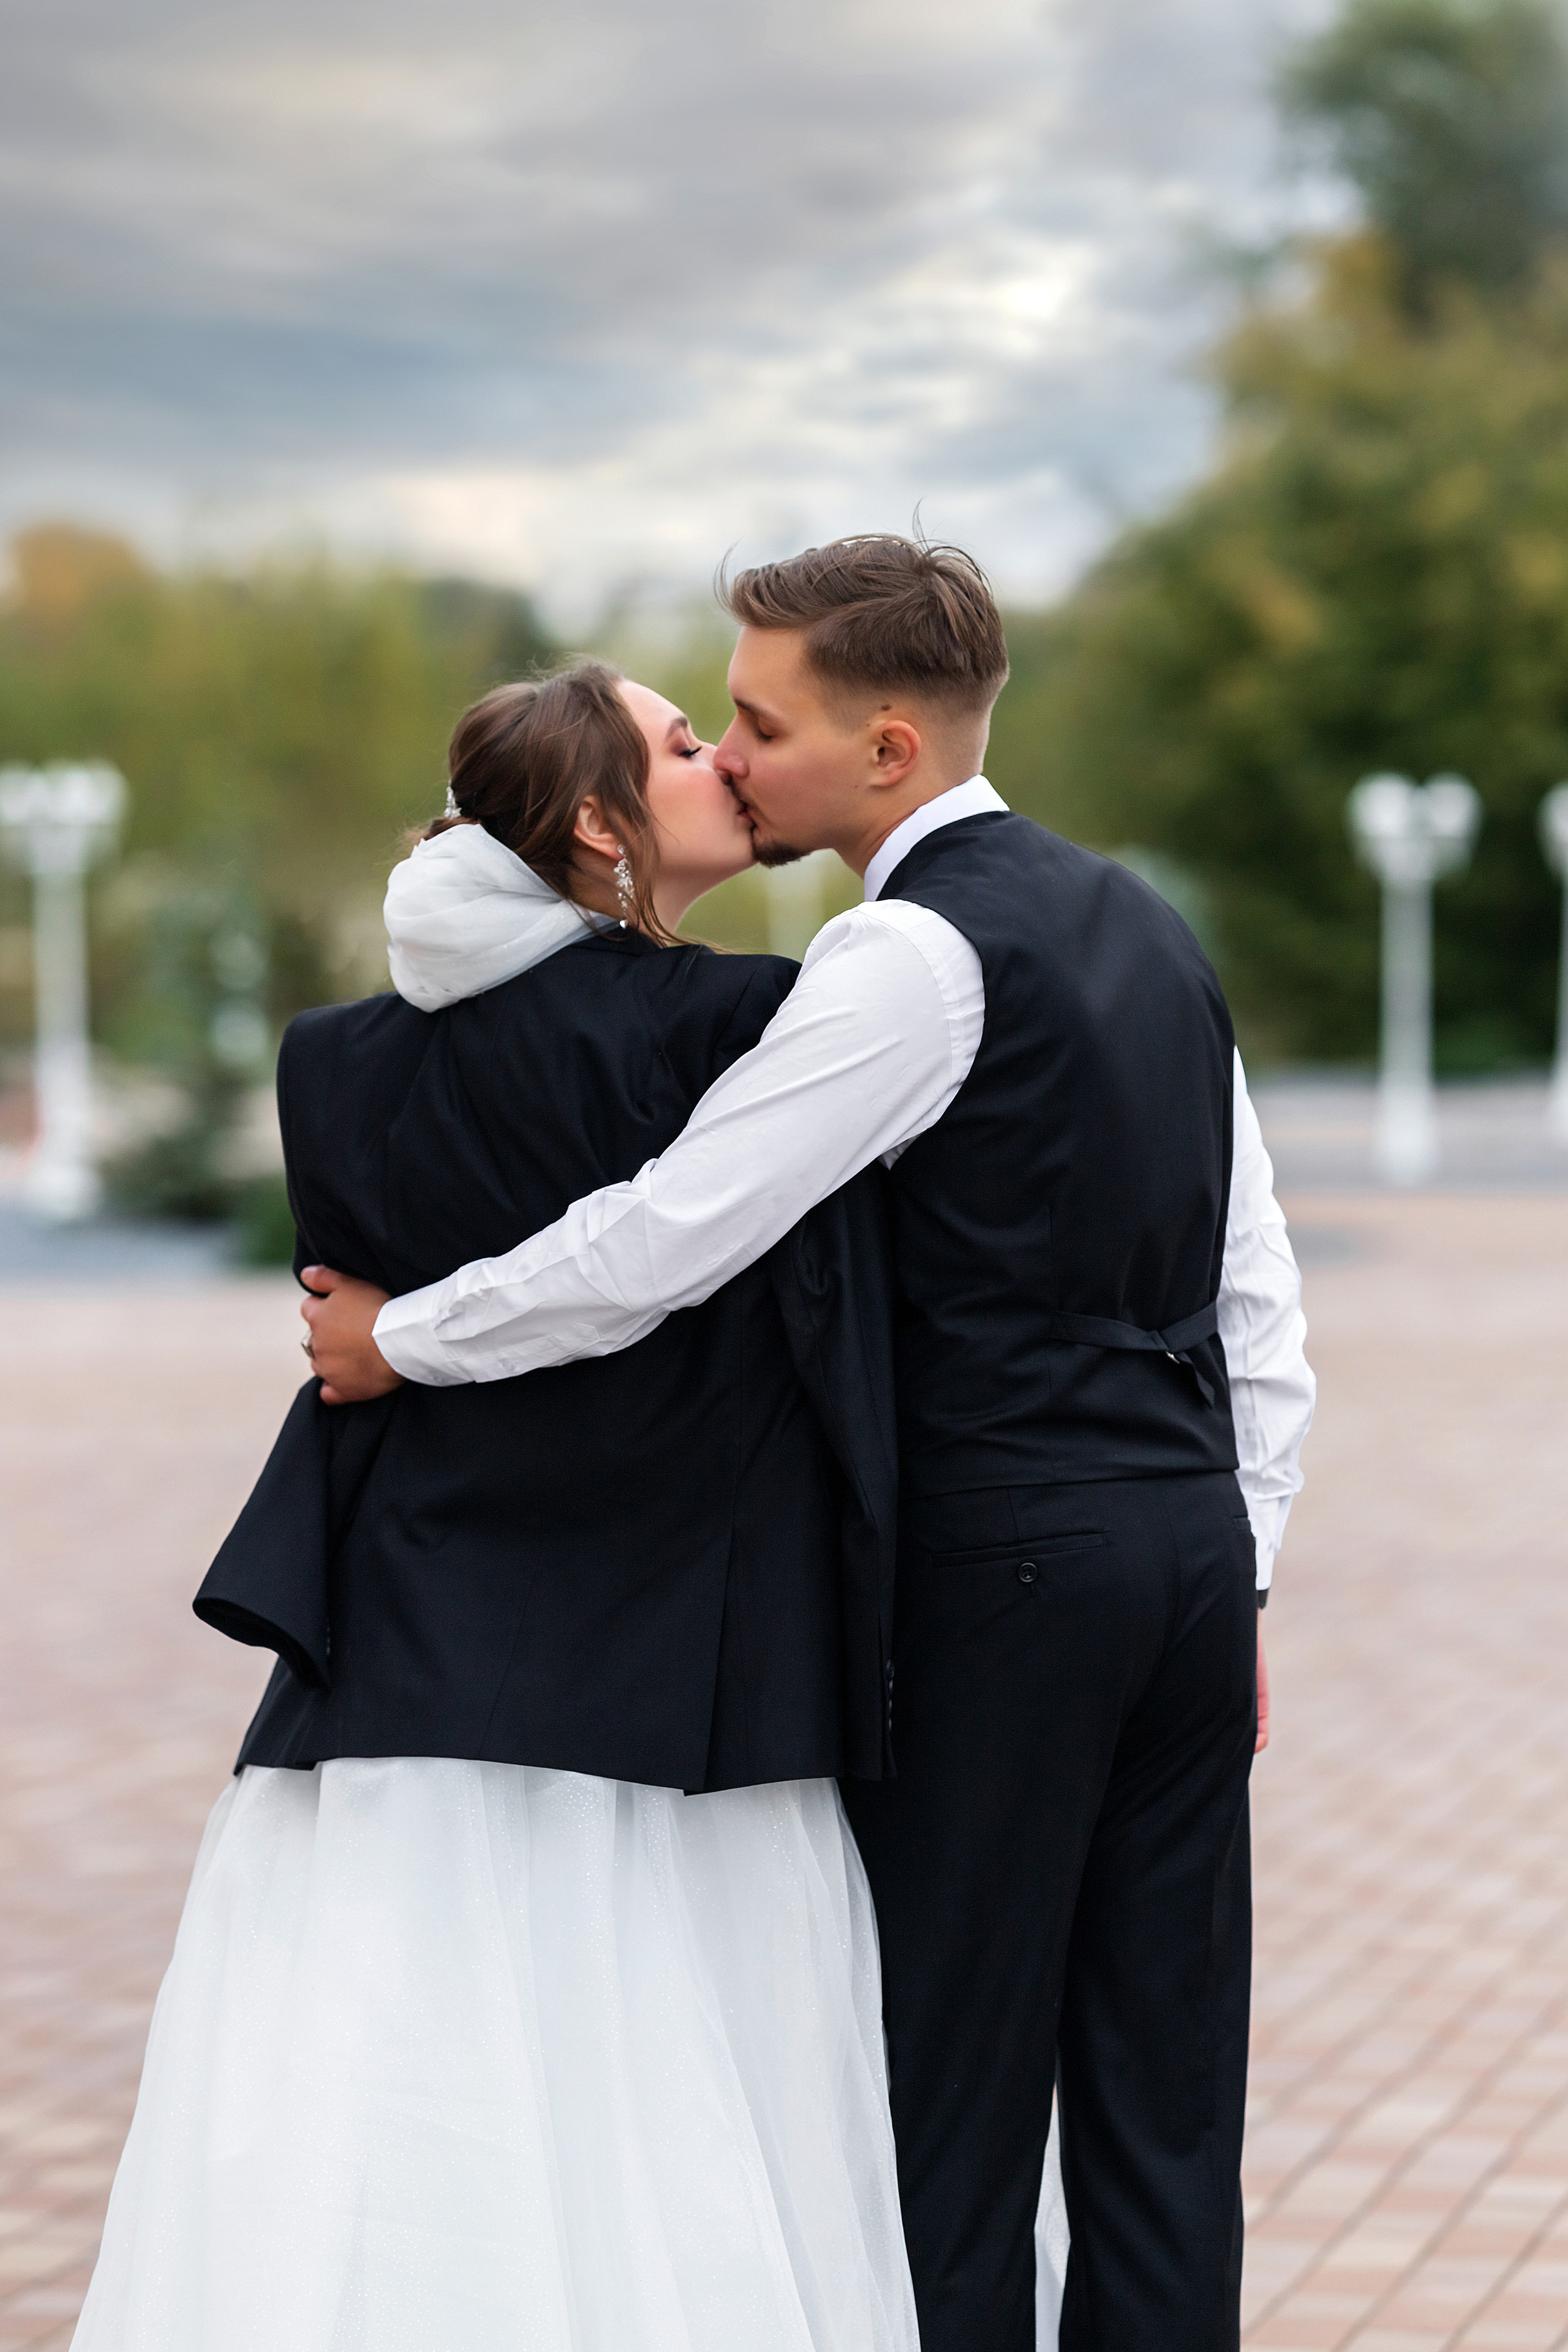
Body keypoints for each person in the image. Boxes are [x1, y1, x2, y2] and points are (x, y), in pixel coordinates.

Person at [303, 537, 1317, 2352]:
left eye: (761, 725)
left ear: (891, 755)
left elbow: (661, 1243)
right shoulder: (1150, 929)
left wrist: (405, 1336)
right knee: (1168, 2113)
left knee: (943, 2094)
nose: (737, 762)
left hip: (1003, 1571)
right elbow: (1261, 1299)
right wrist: (1238, 1565)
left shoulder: (902, 964)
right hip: (1178, 1567)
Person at [70, 662, 921, 2352]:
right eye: (688, 746)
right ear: (603, 825)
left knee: (381, 2115)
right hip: (679, 1681)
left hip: (398, 1665)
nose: (728, 764)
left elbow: (360, 1334)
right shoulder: (736, 1023)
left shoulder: (338, 1065)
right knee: (680, 2121)